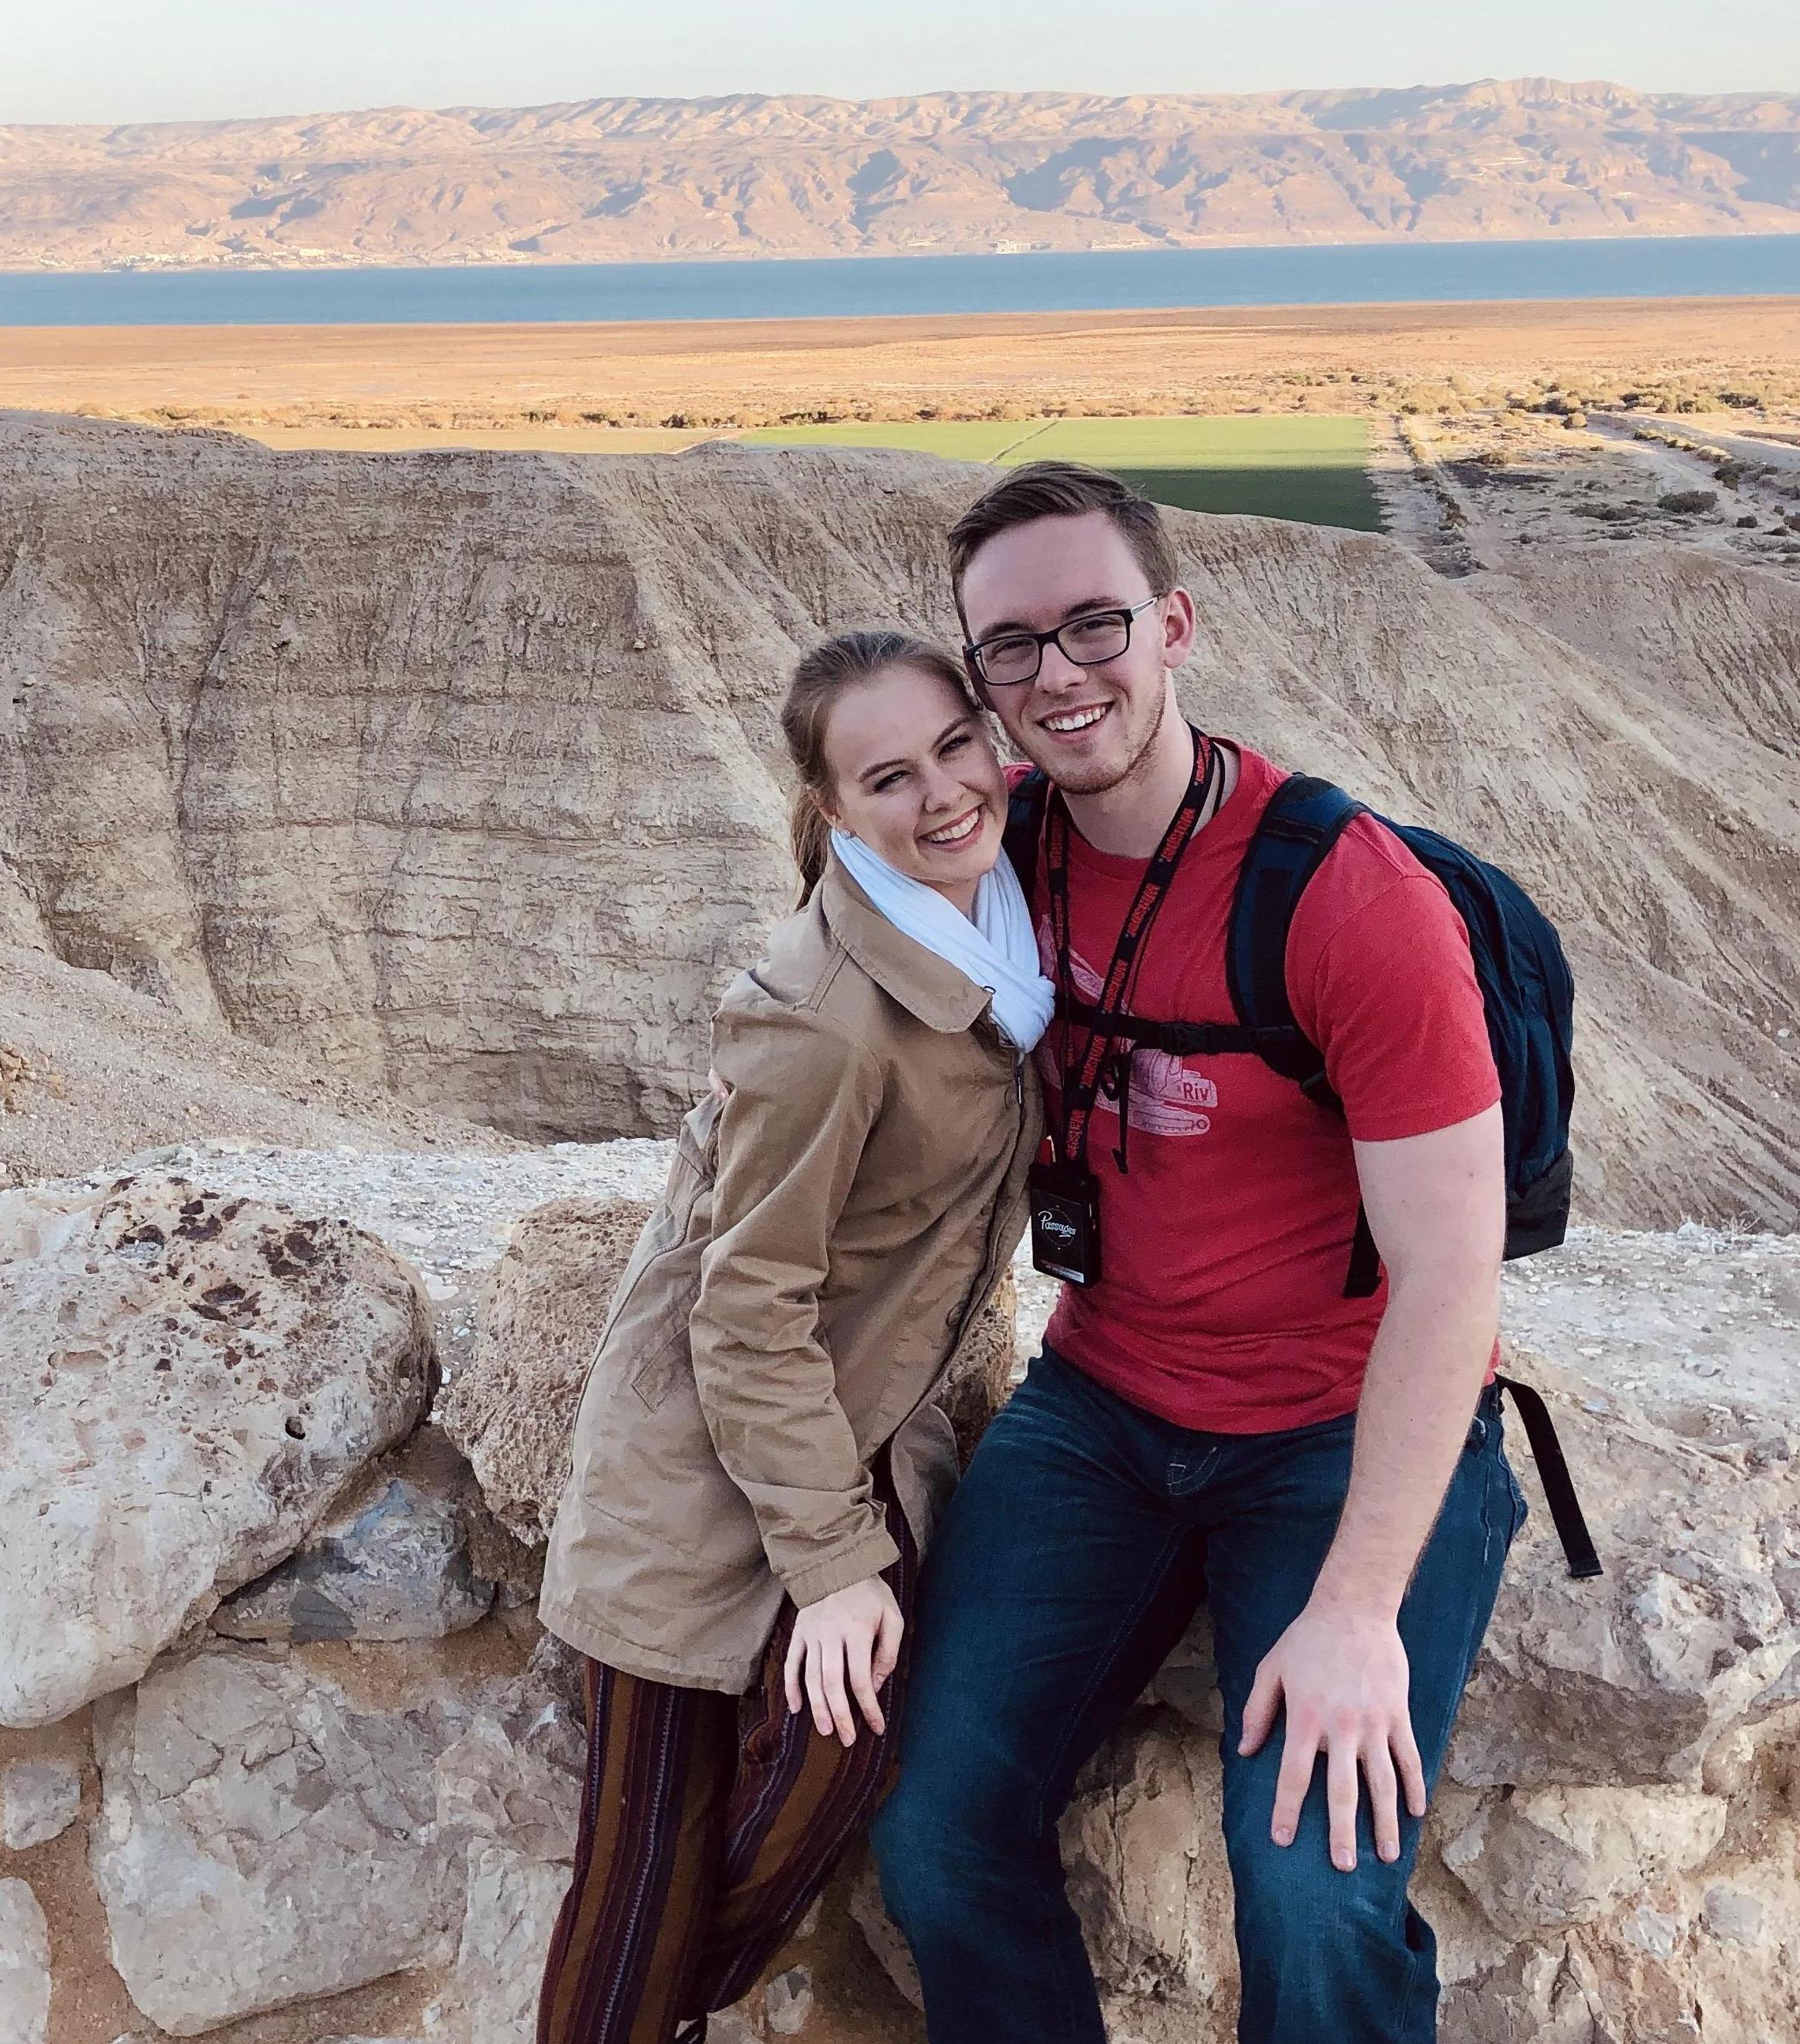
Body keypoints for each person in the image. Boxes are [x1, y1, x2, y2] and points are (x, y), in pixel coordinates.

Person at [870, 460, 1521, 2044]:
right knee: (931, 1829)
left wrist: (1358, 1603)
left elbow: (1452, 1270)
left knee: (1308, 1884)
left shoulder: (1342, 897)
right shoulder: (997, 849)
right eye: (1006, 648)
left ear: (1171, 624)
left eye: (1092, 621)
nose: (1054, 674)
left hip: (1333, 1428)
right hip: (1100, 1406)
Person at [534, 629, 1050, 2044]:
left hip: (865, 1409)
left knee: (839, 1758)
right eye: (889, 777)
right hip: (700, 1441)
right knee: (642, 1858)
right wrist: (831, 1572)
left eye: (958, 747)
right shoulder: (825, 1017)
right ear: (831, 810)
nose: (945, 793)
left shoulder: (1004, 913)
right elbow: (746, 1306)